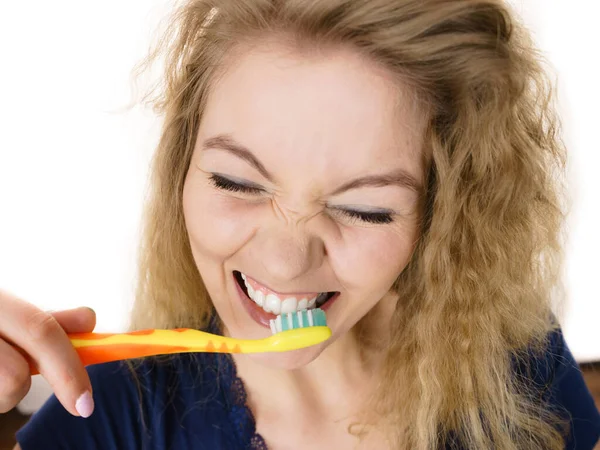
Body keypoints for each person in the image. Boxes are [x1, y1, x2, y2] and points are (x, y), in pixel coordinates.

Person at [2, 0, 599, 448]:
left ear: (442, 214)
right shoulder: (109, 414)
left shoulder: (509, 353)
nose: (286, 262)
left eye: (364, 209)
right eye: (237, 182)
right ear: (181, 167)